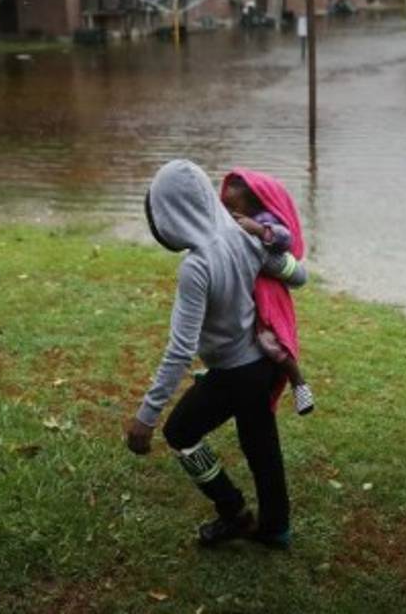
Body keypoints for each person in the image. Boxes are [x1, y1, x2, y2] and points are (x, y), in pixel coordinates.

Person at [126, 159, 308, 549]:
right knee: (261, 445)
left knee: (181, 433)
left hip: (235, 372)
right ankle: (276, 527)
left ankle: (234, 512)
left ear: (169, 215)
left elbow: (181, 349)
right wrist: (271, 246)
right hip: (264, 365)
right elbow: (298, 275)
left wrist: (147, 415)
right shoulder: (243, 236)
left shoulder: (197, 266)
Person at [220, 168, 314, 415]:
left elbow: (285, 239)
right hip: (245, 300)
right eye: (225, 207)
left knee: (272, 342)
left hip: (268, 293)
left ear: (252, 204)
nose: (229, 214)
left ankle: (299, 383)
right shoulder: (231, 225)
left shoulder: (264, 219)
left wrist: (259, 230)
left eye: (233, 207)